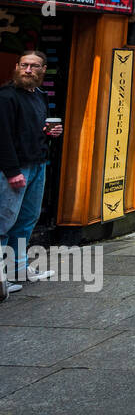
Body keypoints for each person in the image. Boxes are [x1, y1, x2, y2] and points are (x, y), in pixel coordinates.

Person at [0, 50, 62, 298]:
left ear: (43, 70)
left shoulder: (40, 96)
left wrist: (50, 133)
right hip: (13, 169)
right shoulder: (6, 97)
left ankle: (19, 269)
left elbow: (34, 129)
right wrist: (12, 171)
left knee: (27, 220)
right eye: (24, 65)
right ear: (16, 66)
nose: (28, 70)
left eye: (34, 66)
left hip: (37, 164)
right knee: (4, 222)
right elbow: (2, 137)